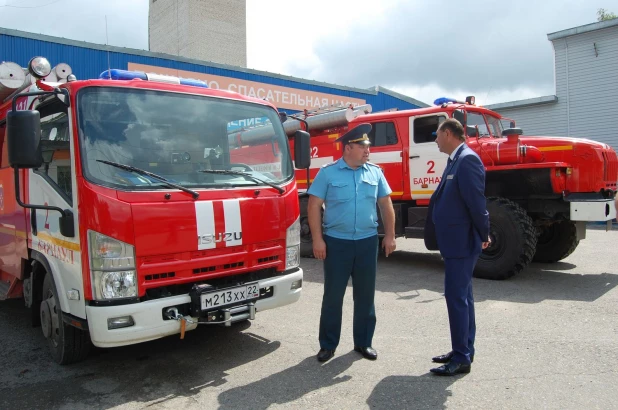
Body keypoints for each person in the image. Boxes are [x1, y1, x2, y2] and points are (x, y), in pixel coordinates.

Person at [307, 123, 396, 363]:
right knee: (333, 296)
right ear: (348, 148)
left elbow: (386, 205)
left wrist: (390, 235)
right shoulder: (328, 173)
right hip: (337, 243)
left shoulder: (375, 172)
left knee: (365, 296)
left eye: (368, 146)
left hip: (367, 242)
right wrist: (318, 239)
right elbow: (313, 205)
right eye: (363, 146)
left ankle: (363, 343)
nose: (368, 151)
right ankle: (328, 345)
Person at [424, 118, 490, 376]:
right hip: (455, 242)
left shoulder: (467, 160)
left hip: (462, 243)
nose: (436, 140)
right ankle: (463, 349)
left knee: (456, 298)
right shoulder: (455, 159)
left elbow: (477, 203)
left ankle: (462, 357)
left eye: (437, 135)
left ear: (449, 133)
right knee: (464, 298)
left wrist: (484, 232)